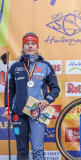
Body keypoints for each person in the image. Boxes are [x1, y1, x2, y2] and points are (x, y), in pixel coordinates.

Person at [3, 32, 60, 160]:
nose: (30, 46)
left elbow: (55, 88)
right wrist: (8, 107)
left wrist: (47, 100)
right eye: (27, 44)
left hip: (38, 112)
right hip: (18, 112)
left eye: (33, 44)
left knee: (38, 150)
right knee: (22, 150)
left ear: (37, 47)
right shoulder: (15, 67)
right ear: (23, 47)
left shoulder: (46, 66)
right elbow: (9, 89)